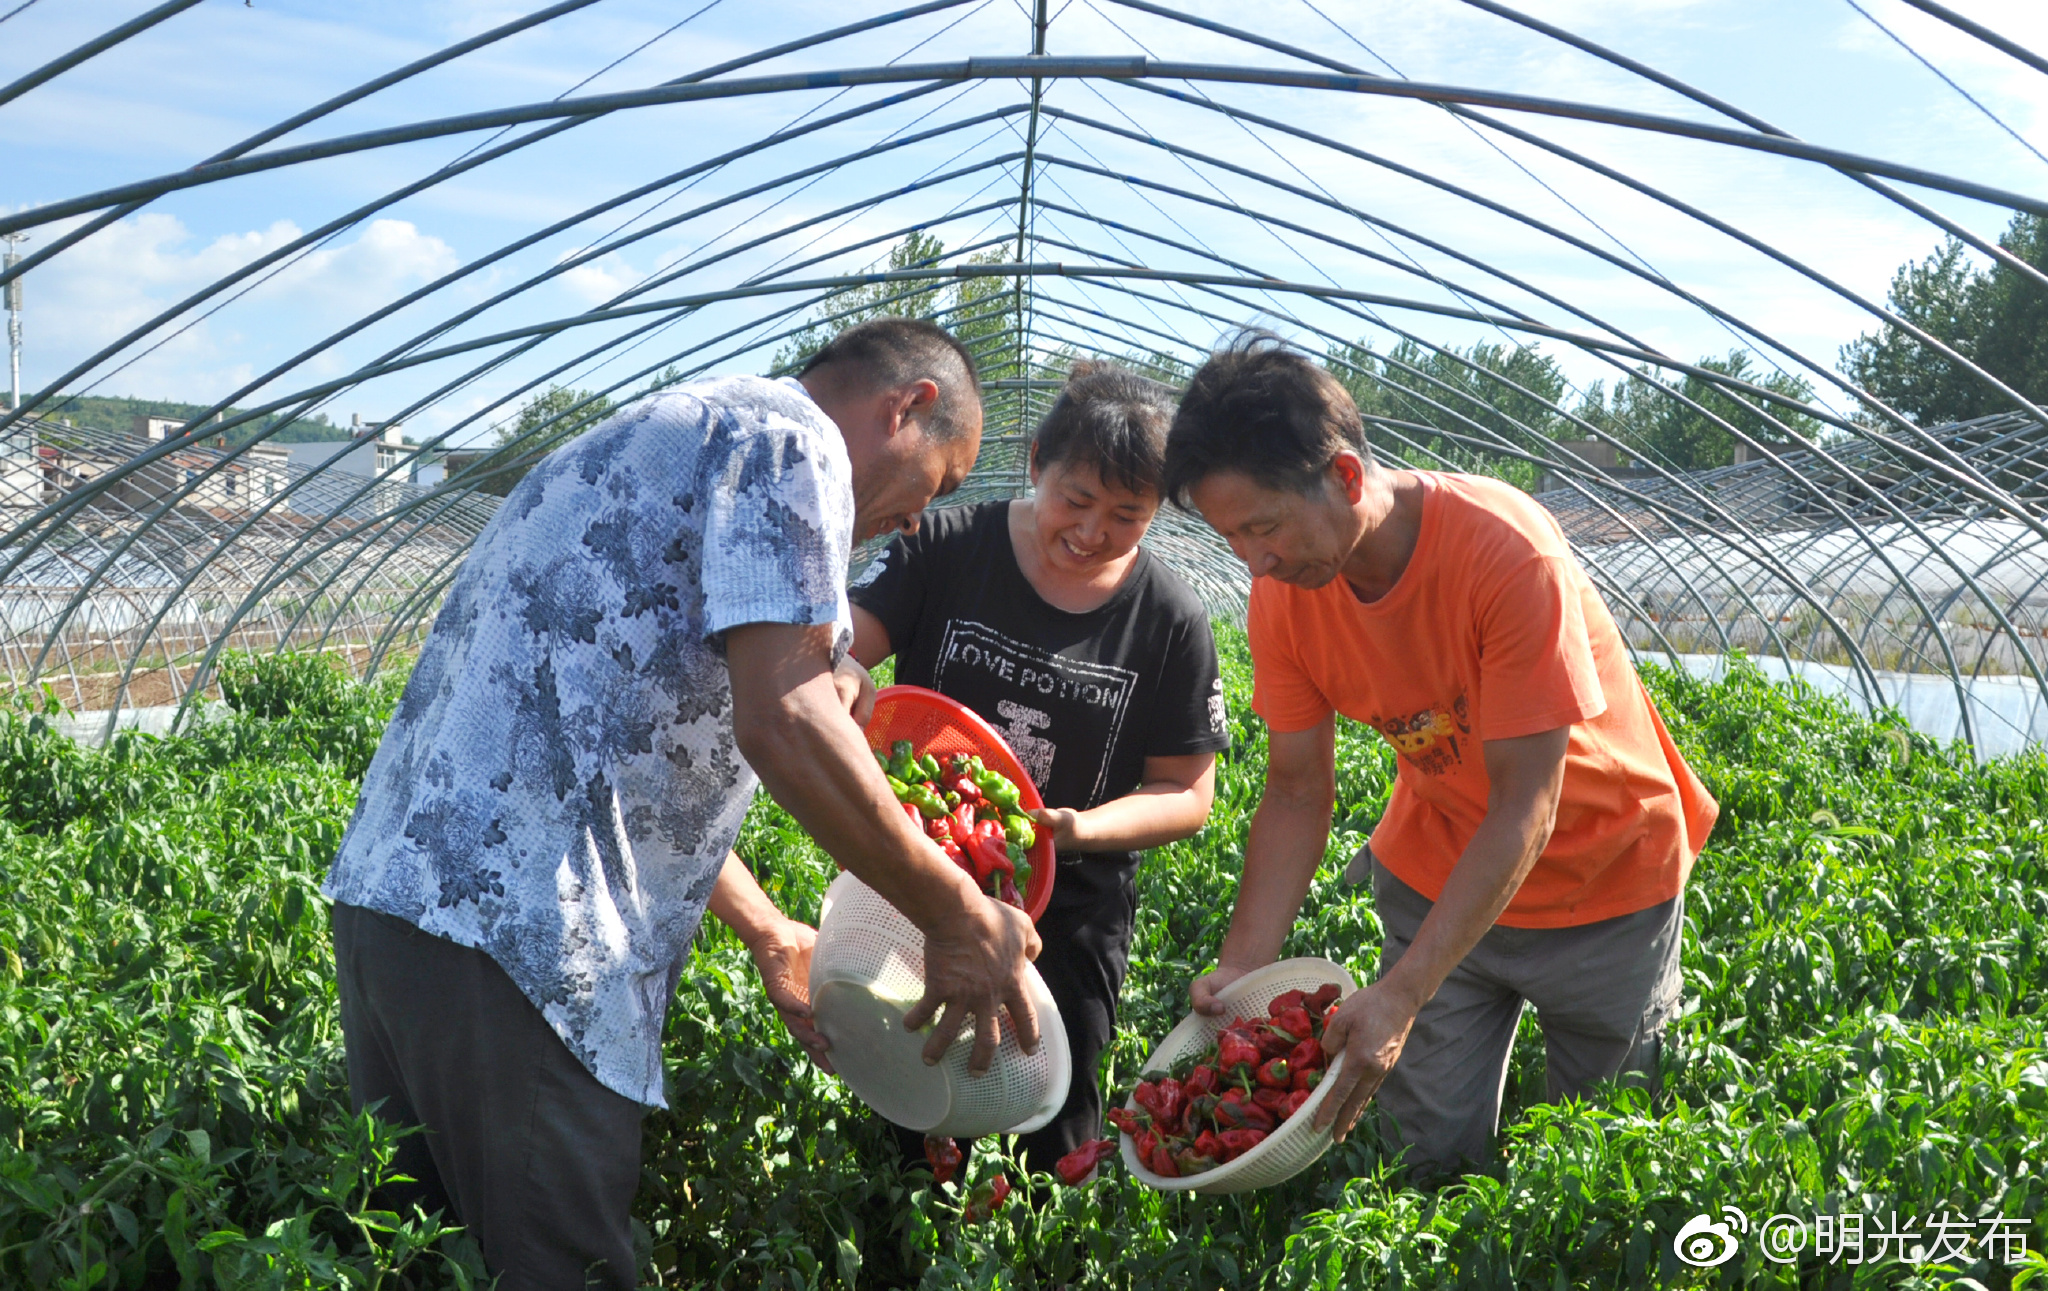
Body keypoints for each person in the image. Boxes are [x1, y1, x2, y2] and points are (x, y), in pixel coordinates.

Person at [321, 318, 1043, 1289]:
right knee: (561, 1268)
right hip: (525, 949)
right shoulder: (794, 442)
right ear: (904, 408)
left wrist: (764, 930)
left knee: (421, 1260)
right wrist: (955, 913)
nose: (918, 520)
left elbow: (622, 753)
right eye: (940, 482)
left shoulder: (673, 431)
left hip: (401, 912)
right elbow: (783, 719)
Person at [1162, 335, 1717, 1182]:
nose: (1257, 562)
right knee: (1421, 1159)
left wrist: (1406, 990)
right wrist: (1242, 970)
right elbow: (1297, 789)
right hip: (1436, 867)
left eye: (1264, 527)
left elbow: (1526, 807)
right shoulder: (1285, 596)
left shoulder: (1503, 550)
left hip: (1604, 879)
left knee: (1599, 1165)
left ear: (1346, 477)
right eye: (1235, 539)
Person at [848, 360, 1230, 1173]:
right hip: (921, 880)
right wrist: (843, 666)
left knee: (1050, 1123)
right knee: (910, 1095)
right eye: (1076, 501)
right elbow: (847, 643)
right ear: (1035, 467)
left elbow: (1187, 791)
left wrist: (1077, 827)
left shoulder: (1169, 618)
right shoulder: (949, 546)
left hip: (1074, 910)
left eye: (1128, 515)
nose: (1093, 532)